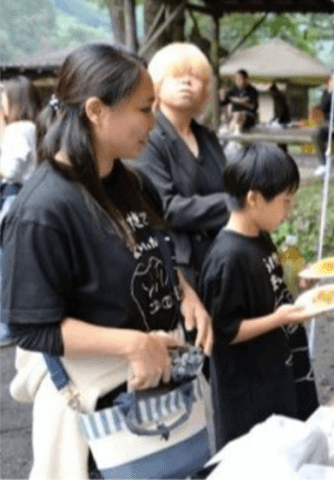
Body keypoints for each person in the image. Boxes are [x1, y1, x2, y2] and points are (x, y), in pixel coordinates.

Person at [1, 44, 213, 479]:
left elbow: (146, 250)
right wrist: (133, 345)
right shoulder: (43, 210)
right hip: (99, 416)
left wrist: (181, 288)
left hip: (158, 392)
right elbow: (31, 325)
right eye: (144, 109)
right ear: (97, 111)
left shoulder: (130, 182)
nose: (153, 125)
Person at [199, 142, 320, 448]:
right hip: (250, 393)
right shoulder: (227, 258)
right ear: (253, 198)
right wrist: (278, 318)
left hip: (280, 372)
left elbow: (275, 275)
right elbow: (223, 332)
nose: (289, 210)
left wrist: (300, 275)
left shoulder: (259, 235)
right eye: (285, 201)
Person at [135, 42, 229, 286]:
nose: (186, 82)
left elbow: (230, 183)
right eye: (176, 75)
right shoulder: (148, 137)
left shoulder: (208, 138)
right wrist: (234, 203)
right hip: (178, 266)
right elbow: (166, 208)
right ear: (156, 84)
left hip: (220, 256)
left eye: (195, 77)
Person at [0, 76, 42, 347]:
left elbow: (10, 170)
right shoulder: (30, 127)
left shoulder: (20, 128)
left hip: (15, 198)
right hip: (24, 198)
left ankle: (7, 326)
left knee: (6, 265)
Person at [220, 69, 259, 133]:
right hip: (234, 116)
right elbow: (223, 101)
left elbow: (243, 101)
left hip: (248, 116)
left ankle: (232, 132)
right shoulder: (233, 90)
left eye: (239, 79)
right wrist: (222, 95)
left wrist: (231, 98)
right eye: (236, 79)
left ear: (246, 79)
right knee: (233, 116)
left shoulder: (253, 91)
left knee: (238, 114)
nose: (237, 81)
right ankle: (231, 132)